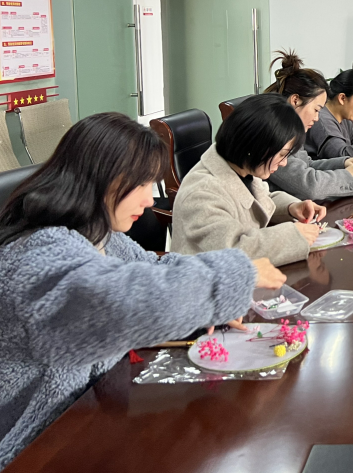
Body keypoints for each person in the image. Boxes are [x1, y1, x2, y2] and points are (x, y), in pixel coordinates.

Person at [0, 113, 286, 468]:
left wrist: (210, 303)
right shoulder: (36, 254)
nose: (151, 201)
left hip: (87, 418)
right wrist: (231, 276)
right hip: (33, 446)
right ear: (103, 179)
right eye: (142, 185)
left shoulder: (99, 234)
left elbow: (152, 268)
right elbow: (117, 301)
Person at [172, 94, 327, 266]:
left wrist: (292, 207)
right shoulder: (201, 193)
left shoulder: (241, 166)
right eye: (282, 154)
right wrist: (293, 236)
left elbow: (259, 199)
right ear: (256, 146)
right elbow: (234, 250)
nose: (284, 163)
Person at [263, 50, 353, 199]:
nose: (317, 118)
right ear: (295, 100)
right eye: (316, 110)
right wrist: (347, 176)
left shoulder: (291, 129)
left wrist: (343, 163)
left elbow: (307, 164)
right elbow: (309, 187)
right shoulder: (272, 132)